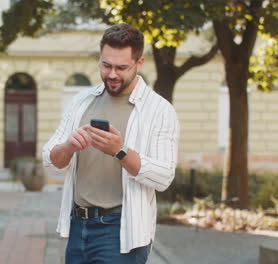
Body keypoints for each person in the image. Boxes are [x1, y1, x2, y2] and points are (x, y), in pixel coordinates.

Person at [43, 24, 180, 263]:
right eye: (106, 65)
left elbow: (163, 177)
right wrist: (68, 147)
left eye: (121, 67)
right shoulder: (82, 101)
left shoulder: (159, 111)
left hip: (120, 230)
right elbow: (51, 160)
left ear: (139, 63)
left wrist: (120, 151)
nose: (112, 74)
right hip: (78, 225)